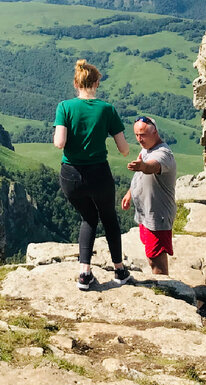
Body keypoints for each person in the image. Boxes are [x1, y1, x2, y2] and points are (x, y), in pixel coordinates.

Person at [53, 59, 132, 290]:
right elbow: (124, 149)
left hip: (70, 175)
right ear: (97, 83)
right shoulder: (107, 109)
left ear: (76, 83)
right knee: (109, 218)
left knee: (88, 217)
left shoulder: (64, 107)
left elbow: (59, 143)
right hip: (99, 174)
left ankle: (84, 274)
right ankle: (119, 270)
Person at [121, 115, 177, 276]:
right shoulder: (146, 149)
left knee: (156, 257)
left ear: (155, 133)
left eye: (143, 135)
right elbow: (141, 175)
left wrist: (143, 166)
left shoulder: (163, 154)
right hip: (145, 212)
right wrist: (130, 193)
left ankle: (166, 288)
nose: (139, 139)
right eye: (137, 135)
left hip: (157, 215)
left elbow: (152, 167)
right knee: (150, 252)